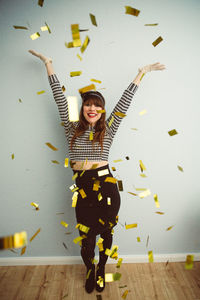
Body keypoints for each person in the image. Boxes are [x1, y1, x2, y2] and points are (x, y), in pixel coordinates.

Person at [28, 49, 165, 293]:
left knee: (106, 233)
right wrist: (48, 64)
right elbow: (60, 98)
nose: (92, 109)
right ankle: (90, 270)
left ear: (102, 111)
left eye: (97, 106)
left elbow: (124, 103)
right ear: (82, 109)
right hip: (83, 190)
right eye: (88, 105)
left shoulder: (107, 131)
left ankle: (102, 268)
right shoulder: (72, 128)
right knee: (86, 238)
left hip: (107, 187)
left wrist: (141, 73)